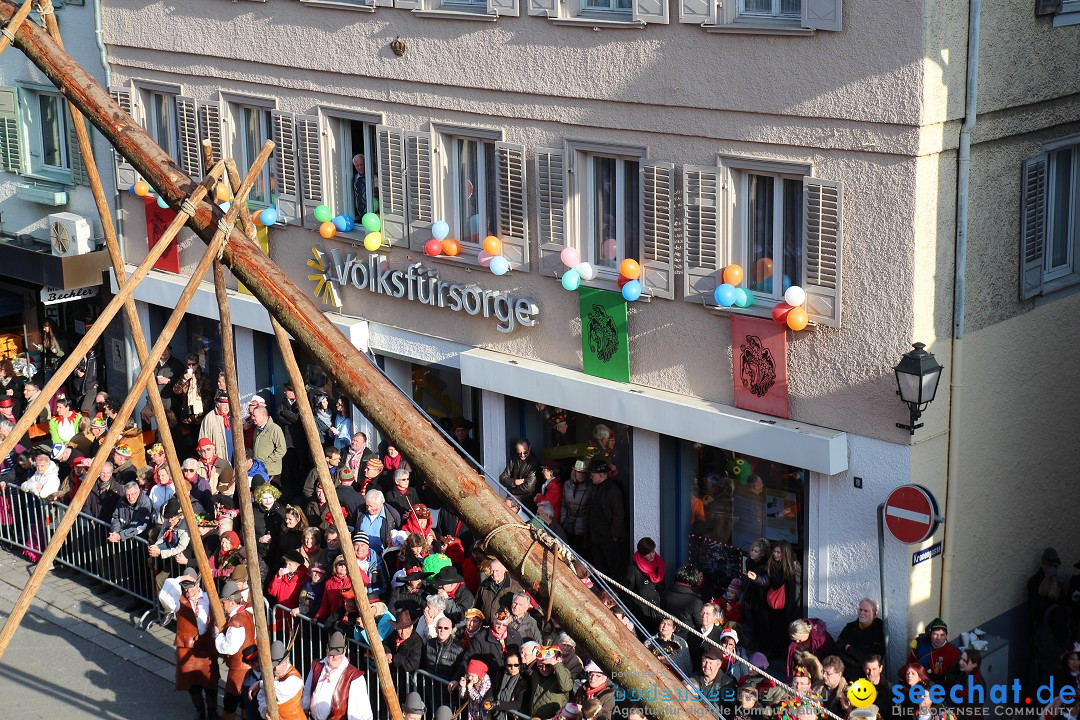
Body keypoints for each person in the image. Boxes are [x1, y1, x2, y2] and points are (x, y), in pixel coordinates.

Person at [159, 567, 220, 720]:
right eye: (184, 588)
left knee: (211, 683)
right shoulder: (178, 602)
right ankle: (200, 711)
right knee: (193, 684)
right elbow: (163, 595)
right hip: (187, 649)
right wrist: (180, 578)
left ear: (198, 584)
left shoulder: (208, 598)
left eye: (190, 587)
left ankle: (212, 712)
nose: (187, 591)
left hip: (206, 647)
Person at [302, 630, 373, 720]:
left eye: (338, 654)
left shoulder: (354, 677)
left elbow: (361, 712)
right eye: (332, 654)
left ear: (344, 652)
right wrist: (304, 710)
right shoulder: (317, 666)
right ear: (327, 651)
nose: (335, 657)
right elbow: (307, 692)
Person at [215, 581, 256, 720]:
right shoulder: (247, 613)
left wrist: (218, 635)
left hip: (238, 669)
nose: (222, 604)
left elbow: (229, 647)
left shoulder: (236, 622)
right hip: (249, 666)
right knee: (246, 704)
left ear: (232, 602)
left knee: (230, 703)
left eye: (224, 602)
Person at [584, 458, 628, 579]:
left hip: (608, 537)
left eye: (593, 475)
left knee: (612, 569)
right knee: (600, 568)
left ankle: (612, 593)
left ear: (601, 475)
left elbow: (618, 514)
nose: (591, 477)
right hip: (596, 537)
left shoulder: (612, 490)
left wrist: (614, 535)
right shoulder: (596, 488)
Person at [837, 598, 887, 681]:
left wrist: (849, 649)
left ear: (875, 614)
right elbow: (837, 649)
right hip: (846, 674)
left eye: (866, 611)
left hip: (867, 676)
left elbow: (874, 657)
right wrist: (857, 657)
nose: (862, 613)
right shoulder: (850, 627)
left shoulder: (880, 629)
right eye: (860, 610)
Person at [254, 640, 306, 720]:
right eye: (273, 665)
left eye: (279, 664)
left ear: (286, 661)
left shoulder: (295, 679)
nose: (276, 668)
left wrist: (259, 684)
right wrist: (265, 711)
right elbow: (261, 696)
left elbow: (280, 689)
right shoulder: (272, 675)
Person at [625, 537, 665, 634]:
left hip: (657, 610)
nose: (652, 555)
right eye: (648, 553)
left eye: (653, 551)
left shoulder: (658, 564)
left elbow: (661, 586)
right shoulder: (633, 569)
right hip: (642, 612)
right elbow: (626, 591)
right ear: (642, 554)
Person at [907, 617, 961, 687]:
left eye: (942, 635)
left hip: (942, 690)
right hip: (919, 686)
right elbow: (910, 664)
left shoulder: (954, 652)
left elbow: (958, 676)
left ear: (946, 635)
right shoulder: (921, 645)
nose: (938, 638)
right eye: (935, 634)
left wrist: (942, 679)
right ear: (930, 634)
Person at [250, 397, 287, 486]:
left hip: (271, 471)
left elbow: (282, 449)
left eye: (254, 416)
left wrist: (267, 461)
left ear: (263, 416)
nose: (252, 418)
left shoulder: (275, 429)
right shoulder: (257, 429)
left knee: (272, 496)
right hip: (258, 470)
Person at [528, 646, 573, 719]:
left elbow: (567, 687)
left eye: (548, 666)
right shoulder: (535, 673)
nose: (544, 669)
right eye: (540, 666)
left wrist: (556, 665)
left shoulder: (562, 673)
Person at [663, 564, 704, 638]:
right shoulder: (695, 601)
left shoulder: (666, 594)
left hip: (668, 634)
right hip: (687, 638)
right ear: (693, 580)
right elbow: (700, 624)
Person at [499, 439, 539, 511]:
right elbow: (502, 478)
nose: (522, 455)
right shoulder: (514, 459)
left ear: (529, 448)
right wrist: (514, 482)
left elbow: (529, 487)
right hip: (516, 496)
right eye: (519, 453)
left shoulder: (534, 462)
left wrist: (511, 489)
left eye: (525, 452)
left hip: (528, 499)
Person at [492, 650, 528, 720]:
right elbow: (493, 689)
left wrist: (498, 704)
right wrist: (489, 699)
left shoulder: (524, 679)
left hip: (514, 716)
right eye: (509, 665)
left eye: (516, 665)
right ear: (505, 664)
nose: (512, 668)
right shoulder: (501, 672)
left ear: (520, 664)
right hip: (497, 714)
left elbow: (518, 704)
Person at [199, 392, 234, 463]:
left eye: (228, 405)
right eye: (224, 405)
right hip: (218, 457)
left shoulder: (233, 416)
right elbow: (203, 440)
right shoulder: (209, 418)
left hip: (234, 455)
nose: (227, 408)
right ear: (217, 405)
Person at [862, 655, 892, 719]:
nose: (871, 673)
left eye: (874, 669)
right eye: (868, 669)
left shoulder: (890, 690)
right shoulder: (858, 687)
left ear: (880, 668)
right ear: (864, 669)